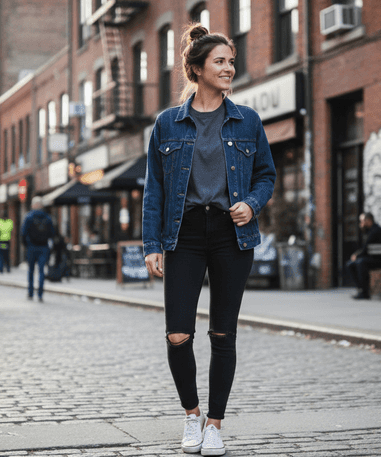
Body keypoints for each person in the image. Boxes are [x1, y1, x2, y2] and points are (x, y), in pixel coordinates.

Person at [143, 24, 276, 456]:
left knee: (223, 333)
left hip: (230, 234)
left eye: (231, 61)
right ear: (197, 69)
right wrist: (152, 244)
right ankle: (191, 415)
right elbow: (155, 190)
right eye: (220, 61)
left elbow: (266, 175)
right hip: (183, 234)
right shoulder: (167, 124)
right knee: (178, 334)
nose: (229, 68)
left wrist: (252, 204)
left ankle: (215, 423)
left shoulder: (248, 121)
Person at [346, 212, 381, 300]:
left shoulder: (376, 231)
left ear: (369, 221)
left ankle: (365, 292)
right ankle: (361, 289)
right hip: (371, 258)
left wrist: (357, 256)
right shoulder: (368, 231)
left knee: (360, 263)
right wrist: (357, 255)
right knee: (350, 264)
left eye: (362, 221)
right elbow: (364, 248)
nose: (361, 224)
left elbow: (366, 248)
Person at [21, 196, 54, 301]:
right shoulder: (48, 217)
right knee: (41, 271)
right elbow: (52, 233)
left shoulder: (28, 217)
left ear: (33, 205)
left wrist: (26, 245)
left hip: (31, 247)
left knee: (30, 271)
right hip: (43, 247)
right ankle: (40, 294)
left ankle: (30, 293)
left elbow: (23, 233)